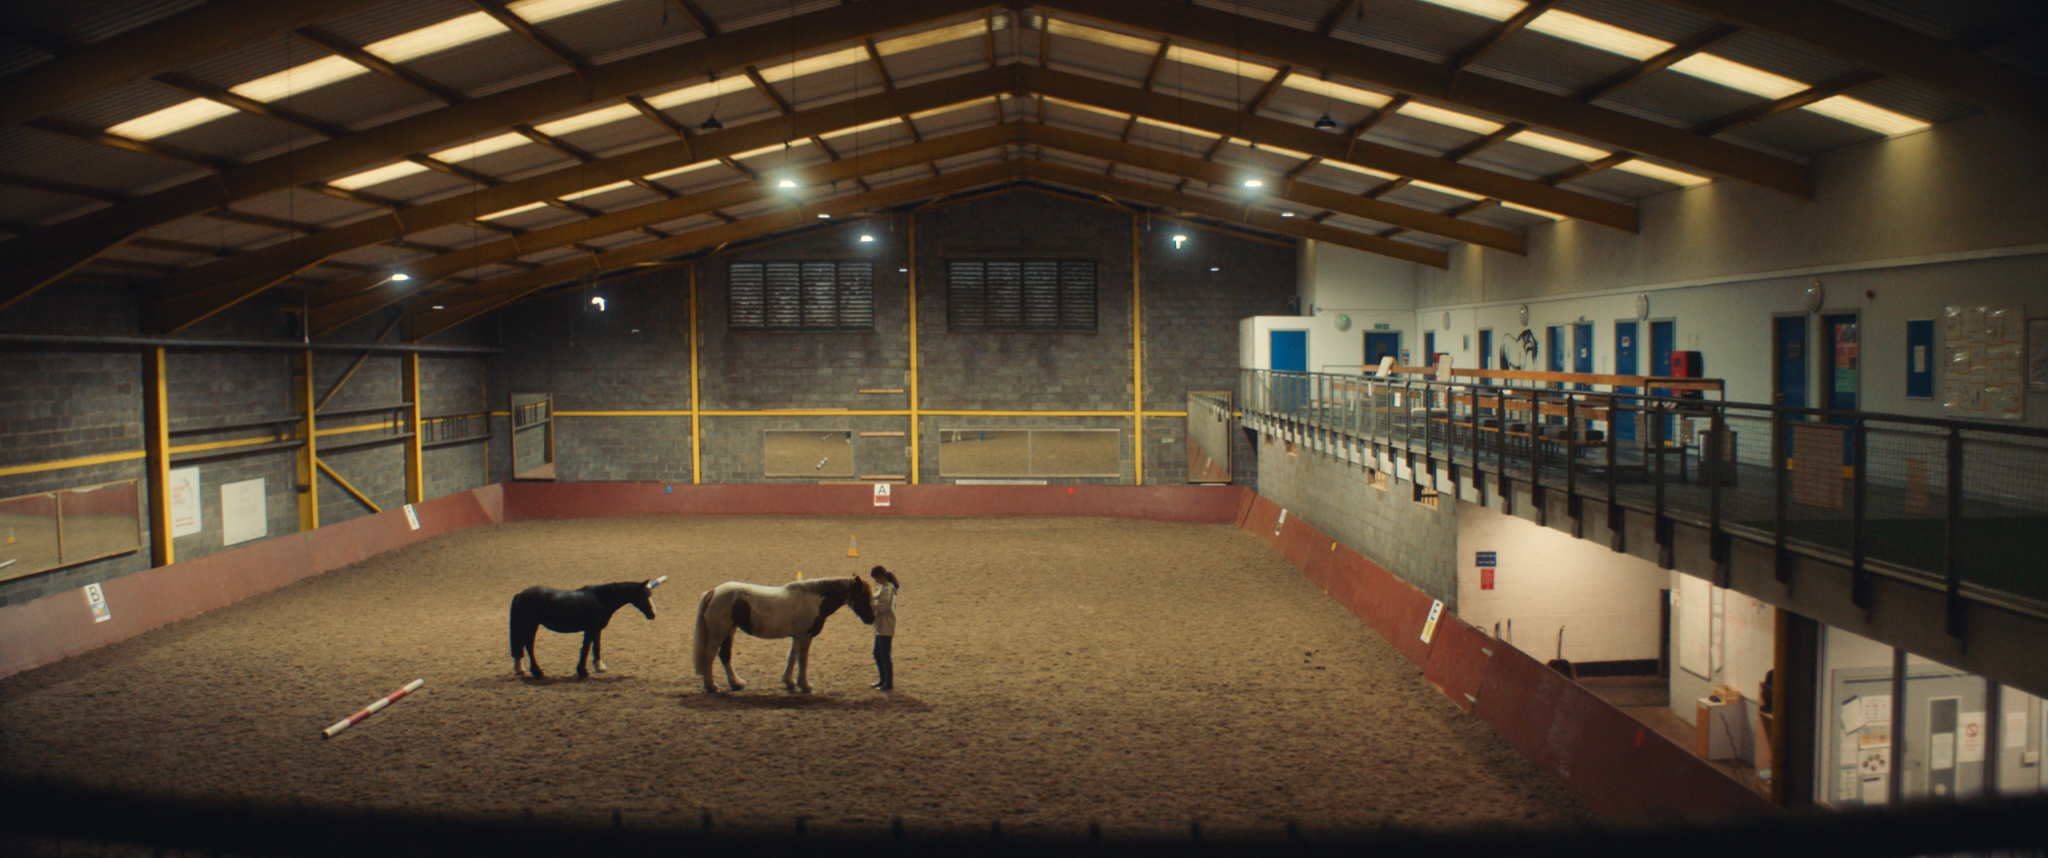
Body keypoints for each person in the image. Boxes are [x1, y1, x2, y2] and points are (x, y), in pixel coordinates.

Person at [868, 565, 899, 690]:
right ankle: (883, 680)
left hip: (886, 626)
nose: (876, 581)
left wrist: (871, 602)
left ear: (881, 576)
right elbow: (876, 596)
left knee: (884, 655)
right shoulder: (884, 588)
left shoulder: (888, 589)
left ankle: (888, 682)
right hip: (881, 626)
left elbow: (881, 606)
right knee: (878, 653)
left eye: (876, 578)